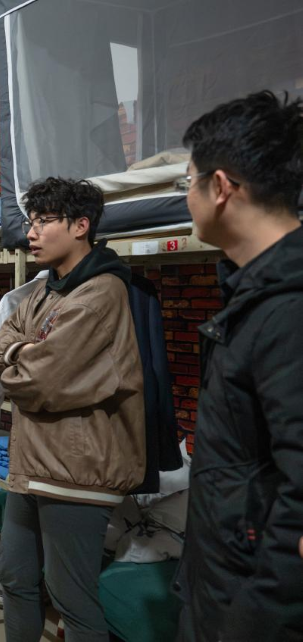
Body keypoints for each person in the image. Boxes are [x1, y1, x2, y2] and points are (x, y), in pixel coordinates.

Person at [0, 177, 145, 642]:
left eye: (43, 221)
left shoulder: (100, 294)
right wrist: (22, 351)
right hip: (34, 462)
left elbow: (38, 381)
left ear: (80, 226)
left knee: (71, 597)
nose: (31, 233)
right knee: (14, 576)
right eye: (30, 222)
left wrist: (18, 356)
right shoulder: (46, 290)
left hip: (77, 470)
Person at [173, 90, 303, 642]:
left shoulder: (288, 309)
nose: (186, 197)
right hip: (223, 581)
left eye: (188, 182)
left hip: (252, 609)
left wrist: (251, 620)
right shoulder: (253, 295)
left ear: (221, 187)